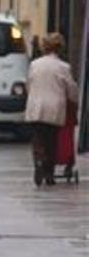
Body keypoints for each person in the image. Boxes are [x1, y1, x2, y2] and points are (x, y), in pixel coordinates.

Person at [25, 33, 79, 185]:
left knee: (37, 139)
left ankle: (38, 163)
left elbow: (28, 84)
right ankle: (49, 173)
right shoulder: (63, 67)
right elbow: (72, 90)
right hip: (54, 110)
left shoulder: (35, 64)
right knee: (51, 142)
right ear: (60, 48)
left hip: (35, 108)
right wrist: (74, 101)